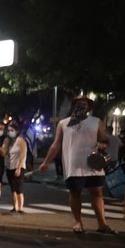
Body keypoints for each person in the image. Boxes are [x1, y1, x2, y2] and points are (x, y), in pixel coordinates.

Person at [38, 95, 116, 234]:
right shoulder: (63, 123)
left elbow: (105, 139)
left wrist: (102, 144)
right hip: (73, 164)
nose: (82, 106)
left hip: (93, 163)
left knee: (97, 192)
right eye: (79, 103)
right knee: (75, 193)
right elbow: (56, 145)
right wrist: (46, 162)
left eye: (85, 104)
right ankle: (78, 222)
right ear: (73, 106)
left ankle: (102, 224)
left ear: (89, 107)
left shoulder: (96, 122)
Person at [4, 121, 27, 213]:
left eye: (12, 130)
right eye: (9, 130)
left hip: (18, 167)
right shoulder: (10, 142)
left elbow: (23, 155)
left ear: (16, 131)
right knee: (13, 188)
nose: (10, 132)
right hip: (10, 167)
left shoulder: (20, 140)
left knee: (19, 188)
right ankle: (15, 206)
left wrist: (18, 168)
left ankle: (20, 208)